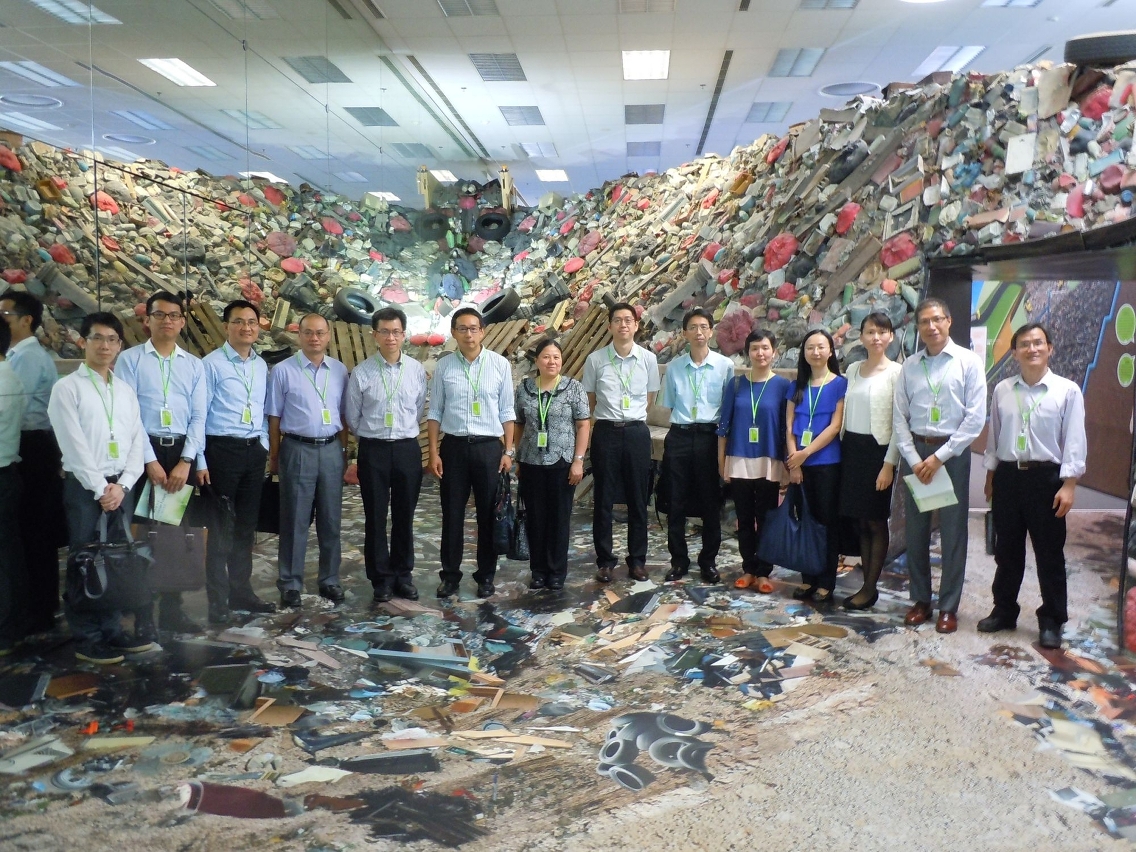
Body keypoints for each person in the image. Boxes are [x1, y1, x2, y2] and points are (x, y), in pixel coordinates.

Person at [48, 312, 153, 664]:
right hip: (86, 488)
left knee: (115, 560)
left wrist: (122, 485)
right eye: (97, 338)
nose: (104, 345)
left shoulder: (123, 390)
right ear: (83, 341)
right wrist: (100, 489)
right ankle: (86, 636)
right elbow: (72, 444)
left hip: (120, 488)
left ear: (120, 346)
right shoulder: (67, 388)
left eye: (112, 339)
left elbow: (137, 439)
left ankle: (111, 630)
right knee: (84, 559)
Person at [979, 323, 1087, 649]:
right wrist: (991, 476)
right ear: (1014, 352)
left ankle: (1052, 619)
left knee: (1049, 553)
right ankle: (1004, 610)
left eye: (1038, 343)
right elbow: (995, 438)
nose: (1032, 349)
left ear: (1050, 348)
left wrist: (1069, 484)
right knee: (1006, 550)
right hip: (1009, 477)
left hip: (1047, 480)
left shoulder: (1067, 391)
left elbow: (1074, 441)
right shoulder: (1002, 389)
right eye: (1024, 344)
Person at [114, 292, 206, 635]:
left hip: (179, 454)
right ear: (147, 320)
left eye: (174, 315)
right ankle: (142, 616)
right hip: (143, 452)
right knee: (144, 535)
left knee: (176, 534)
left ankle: (172, 610)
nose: (167, 320)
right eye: (160, 314)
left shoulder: (193, 365)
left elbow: (199, 417)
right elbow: (130, 414)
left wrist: (186, 461)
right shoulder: (131, 360)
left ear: (182, 321)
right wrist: (149, 462)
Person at [893, 297, 986, 634]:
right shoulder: (910, 366)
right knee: (915, 532)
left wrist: (939, 457)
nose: (931, 327)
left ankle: (948, 606)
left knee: (952, 533)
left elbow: (975, 419)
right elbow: (899, 417)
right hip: (917, 453)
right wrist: (916, 459)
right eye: (924, 322)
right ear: (918, 328)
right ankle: (921, 600)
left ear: (949, 321)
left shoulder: (968, 362)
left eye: (936, 320)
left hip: (952, 455)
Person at [427, 307, 516, 599]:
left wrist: (508, 450)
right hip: (453, 448)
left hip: (490, 448)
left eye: (474, 328)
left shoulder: (500, 365)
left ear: (483, 331)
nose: (469, 334)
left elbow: (507, 411)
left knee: (489, 515)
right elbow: (435, 412)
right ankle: (450, 576)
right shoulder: (444, 367)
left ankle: (485, 576)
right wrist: (434, 452)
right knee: (451, 514)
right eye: (462, 328)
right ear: (453, 332)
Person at [197, 300, 276, 624]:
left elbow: (259, 410)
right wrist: (200, 459)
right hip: (221, 452)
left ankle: (241, 591)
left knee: (245, 528)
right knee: (220, 529)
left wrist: (264, 446)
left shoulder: (260, 365)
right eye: (239, 322)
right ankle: (217, 601)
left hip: (252, 452)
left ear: (258, 326)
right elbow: (199, 416)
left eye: (252, 322)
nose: (246, 327)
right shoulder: (211, 365)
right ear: (227, 326)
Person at [267, 313, 349, 609]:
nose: (315, 338)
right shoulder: (283, 371)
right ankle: (290, 582)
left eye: (320, 333)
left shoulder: (339, 371)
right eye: (308, 333)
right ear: (299, 335)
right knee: (294, 519)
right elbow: (274, 417)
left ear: (328, 336)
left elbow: (343, 415)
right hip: (296, 449)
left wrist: (343, 451)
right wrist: (275, 456)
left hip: (330, 450)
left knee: (331, 520)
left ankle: (330, 579)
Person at [346, 307, 427, 604]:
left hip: (406, 448)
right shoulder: (362, 372)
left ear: (403, 335)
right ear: (374, 335)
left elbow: (418, 410)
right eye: (384, 331)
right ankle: (380, 578)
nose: (390, 337)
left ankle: (403, 575)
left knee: (405, 516)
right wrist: (372, 436)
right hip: (374, 450)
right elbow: (352, 417)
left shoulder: (416, 371)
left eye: (396, 331)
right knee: (376, 517)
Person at [0, 289, 64, 637]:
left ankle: (38, 609)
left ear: (27, 320)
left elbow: (13, 408)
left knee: (33, 531)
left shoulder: (24, 358)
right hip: (27, 443)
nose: (2, 320)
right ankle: (37, 605)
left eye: (6, 314)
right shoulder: (17, 355)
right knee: (29, 531)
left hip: (32, 446)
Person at [582, 302, 660, 583]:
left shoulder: (648, 360)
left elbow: (650, 401)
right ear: (609, 326)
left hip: (637, 433)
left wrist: (632, 419)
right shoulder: (595, 360)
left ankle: (637, 560)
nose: (623, 325)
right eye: (618, 320)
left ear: (636, 325)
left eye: (629, 320)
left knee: (638, 498)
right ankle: (605, 561)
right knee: (603, 498)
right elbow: (589, 402)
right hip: (605, 432)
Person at [660, 308, 733, 584]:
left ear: (711, 332)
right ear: (684, 333)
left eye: (704, 327)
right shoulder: (675, 367)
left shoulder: (725, 366)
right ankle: (678, 561)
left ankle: (708, 561)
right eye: (693, 327)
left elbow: (726, 409)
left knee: (710, 500)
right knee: (675, 500)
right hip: (679, 436)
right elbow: (669, 406)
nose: (699, 332)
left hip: (709, 437)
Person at [513, 338, 591, 591]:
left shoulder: (573, 388)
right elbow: (518, 423)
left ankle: (557, 571)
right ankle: (538, 570)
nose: (551, 361)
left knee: (558, 518)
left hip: (563, 462)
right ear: (537, 361)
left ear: (561, 361)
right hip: (531, 462)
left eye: (556, 357)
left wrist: (578, 461)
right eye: (546, 357)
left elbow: (583, 425)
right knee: (535, 518)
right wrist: (516, 455)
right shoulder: (524, 388)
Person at [718, 330, 792, 593]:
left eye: (765, 348)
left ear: (774, 352)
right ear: (747, 353)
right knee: (744, 517)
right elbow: (723, 426)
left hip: (769, 460)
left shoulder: (783, 386)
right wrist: (721, 463)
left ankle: (764, 572)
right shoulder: (737, 384)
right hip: (738, 459)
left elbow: (787, 427)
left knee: (767, 517)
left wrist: (786, 465)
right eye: (755, 349)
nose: (760, 353)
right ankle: (749, 568)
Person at [838, 312, 902, 610]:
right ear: (861, 336)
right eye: (870, 331)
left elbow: (901, 422)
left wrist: (889, 463)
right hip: (851, 449)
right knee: (860, 521)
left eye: (882, 332)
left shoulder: (897, 373)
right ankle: (866, 585)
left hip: (878, 451)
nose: (876, 337)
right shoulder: (852, 370)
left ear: (890, 336)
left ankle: (869, 586)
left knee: (876, 520)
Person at [784, 328, 846, 606]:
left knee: (826, 523)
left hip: (826, 464)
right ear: (804, 353)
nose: (816, 352)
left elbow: (835, 427)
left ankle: (825, 580)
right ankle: (807, 577)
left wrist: (805, 453)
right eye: (810, 347)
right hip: (798, 465)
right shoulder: (796, 385)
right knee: (804, 521)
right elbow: (788, 427)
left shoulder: (840, 384)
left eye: (821, 347)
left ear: (830, 351)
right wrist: (794, 461)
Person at [0, 321, 28, 656]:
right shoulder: (11, 376)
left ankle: (6, 629)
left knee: (5, 558)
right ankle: (13, 623)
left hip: (3, 473)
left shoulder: (4, 380)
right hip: (9, 471)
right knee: (9, 554)